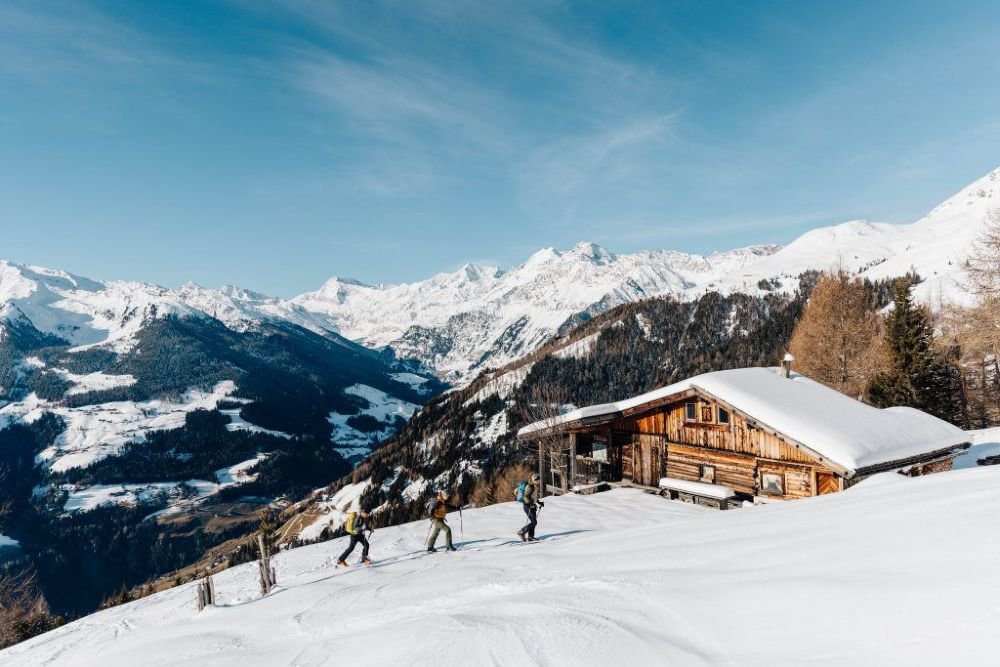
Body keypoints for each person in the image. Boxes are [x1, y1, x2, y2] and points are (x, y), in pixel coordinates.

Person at [517, 473, 544, 542]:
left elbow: (533, 496)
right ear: (534, 480)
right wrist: (530, 504)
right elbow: (525, 496)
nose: (539, 481)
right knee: (534, 522)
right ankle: (522, 532)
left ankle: (530, 537)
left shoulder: (535, 486)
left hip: (532, 506)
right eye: (537, 480)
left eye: (538, 479)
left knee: (534, 522)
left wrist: (538, 502)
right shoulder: (530, 486)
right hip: (527, 506)